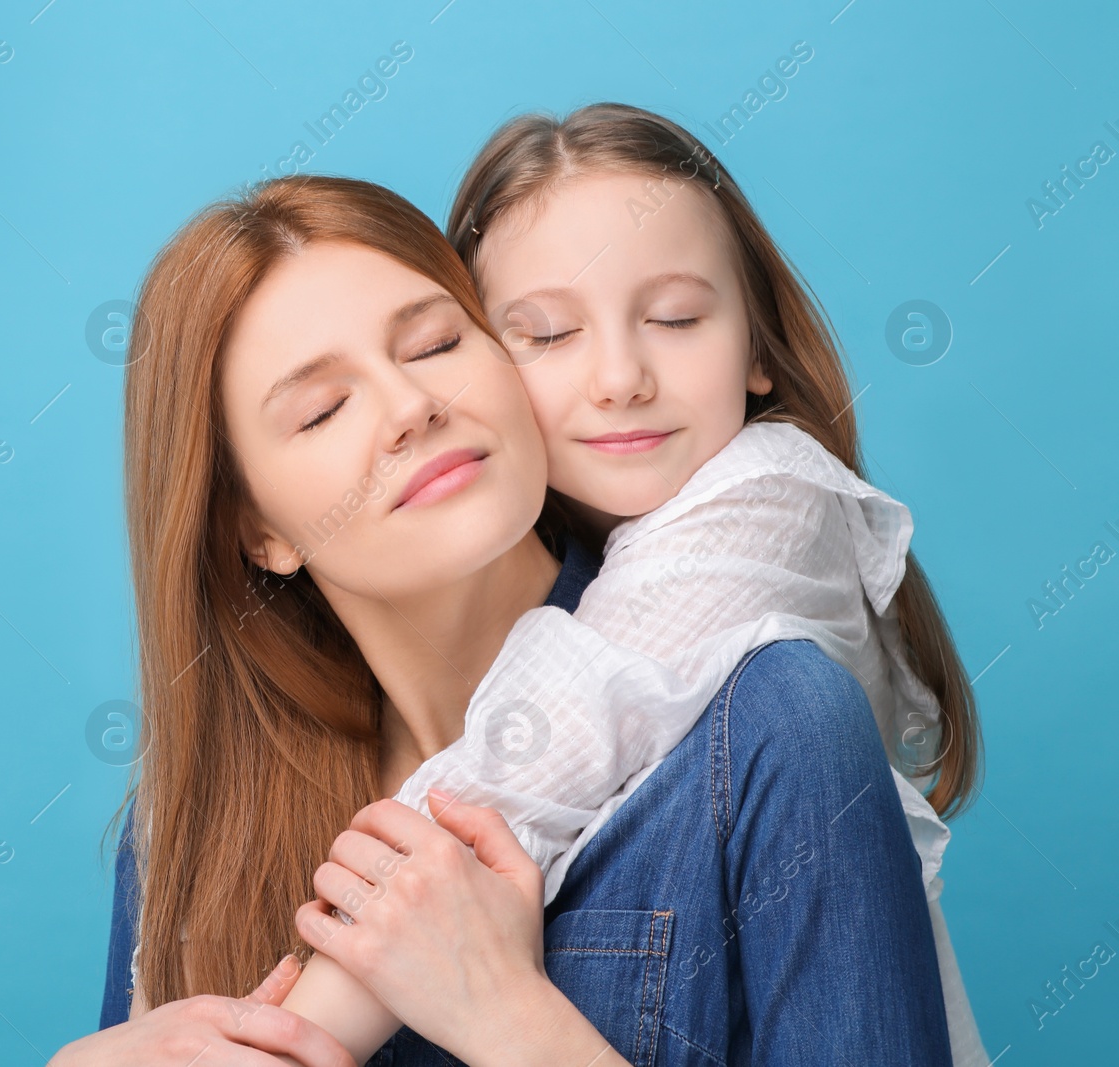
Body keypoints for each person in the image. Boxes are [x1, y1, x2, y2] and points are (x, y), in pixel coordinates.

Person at [51, 173, 953, 1066]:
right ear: (258, 532)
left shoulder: (777, 722)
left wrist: (511, 1022)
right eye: (323, 408)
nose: (412, 407)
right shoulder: (195, 826)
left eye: (438, 343)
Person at [272, 103, 989, 1065]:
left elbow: (558, 730)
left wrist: (294, 1038)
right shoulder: (196, 812)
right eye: (547, 334)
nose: (618, 377)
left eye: (677, 318)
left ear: (761, 351)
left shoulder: (768, 515)